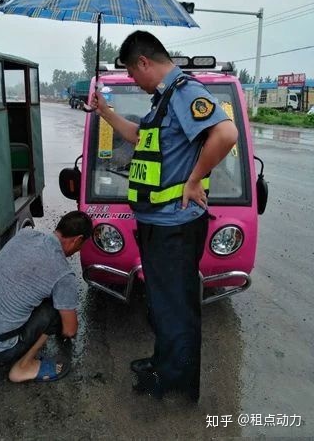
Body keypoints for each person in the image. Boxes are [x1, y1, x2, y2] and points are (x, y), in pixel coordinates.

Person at [91, 31, 238, 401]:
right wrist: (106, 113)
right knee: (162, 304)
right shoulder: (164, 100)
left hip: (176, 224)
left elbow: (226, 132)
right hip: (156, 224)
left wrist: (193, 179)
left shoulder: (186, 91)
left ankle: (177, 382)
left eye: (131, 73)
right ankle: (163, 363)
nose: (133, 82)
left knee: (176, 308)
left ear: (144, 62)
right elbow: (140, 138)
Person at [0, 211, 93, 383]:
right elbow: (70, 330)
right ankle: (23, 368)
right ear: (77, 239)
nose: (78, 251)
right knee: (53, 312)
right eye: (81, 245)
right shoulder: (63, 274)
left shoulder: (25, 235)